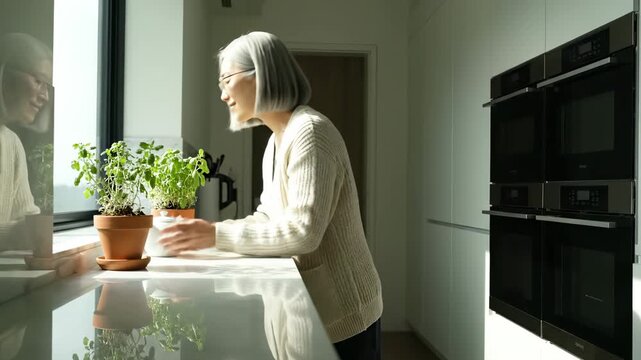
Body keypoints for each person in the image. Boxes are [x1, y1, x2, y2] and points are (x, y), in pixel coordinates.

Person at [159, 31, 383, 359]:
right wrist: (205, 248)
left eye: (226, 80)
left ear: (260, 75)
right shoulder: (275, 141)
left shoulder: (310, 133)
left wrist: (212, 234)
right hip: (307, 309)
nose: (222, 94)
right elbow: (269, 217)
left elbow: (302, 232)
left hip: (343, 316)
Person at [0, 33, 52, 248]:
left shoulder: (12, 143)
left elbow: (24, 217)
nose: (45, 96)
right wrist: (15, 233)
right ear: (4, 73)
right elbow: (18, 231)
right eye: (38, 80)